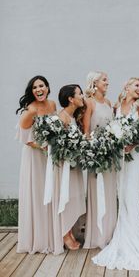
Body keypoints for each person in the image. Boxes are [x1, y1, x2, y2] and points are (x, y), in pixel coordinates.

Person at [92, 78, 139, 270]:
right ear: (126, 87)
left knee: (131, 191)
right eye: (136, 85)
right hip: (120, 155)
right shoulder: (117, 105)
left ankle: (135, 235)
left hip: (134, 155)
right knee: (122, 192)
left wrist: (131, 144)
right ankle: (123, 232)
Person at [16, 75, 56, 253]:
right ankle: (38, 238)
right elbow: (24, 139)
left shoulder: (52, 105)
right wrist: (44, 147)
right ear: (31, 91)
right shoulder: (30, 111)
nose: (39, 90)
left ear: (47, 88)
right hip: (35, 156)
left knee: (50, 192)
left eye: (42, 86)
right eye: (35, 87)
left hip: (49, 155)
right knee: (38, 192)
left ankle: (52, 233)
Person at [83, 71, 117, 249]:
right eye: (104, 80)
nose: (107, 82)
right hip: (96, 157)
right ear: (94, 83)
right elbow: (86, 131)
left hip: (110, 156)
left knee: (110, 192)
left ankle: (110, 233)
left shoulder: (109, 103)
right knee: (98, 193)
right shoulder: (89, 103)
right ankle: (97, 236)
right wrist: (93, 152)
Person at [52, 84, 86, 254]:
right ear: (71, 99)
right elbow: (56, 145)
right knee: (65, 197)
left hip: (74, 166)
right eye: (79, 94)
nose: (82, 96)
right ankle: (64, 235)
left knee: (74, 197)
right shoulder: (62, 117)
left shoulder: (72, 117)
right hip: (65, 167)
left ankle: (70, 231)